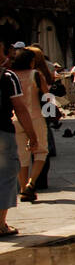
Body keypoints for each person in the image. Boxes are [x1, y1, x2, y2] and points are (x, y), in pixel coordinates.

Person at [0, 49, 40, 237]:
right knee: (6, 176)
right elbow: (20, 108)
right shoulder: (7, 76)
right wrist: (32, 135)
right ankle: (0, 224)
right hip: (2, 132)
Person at [8, 49, 49, 203]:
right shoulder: (36, 74)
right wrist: (50, 113)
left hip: (15, 119)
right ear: (30, 61)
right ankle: (31, 183)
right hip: (35, 117)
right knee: (41, 151)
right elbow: (47, 96)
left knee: (21, 155)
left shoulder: (11, 75)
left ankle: (23, 189)